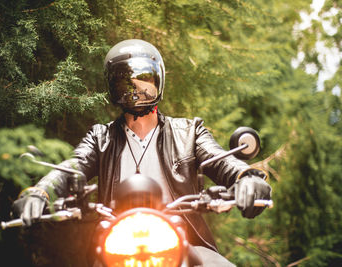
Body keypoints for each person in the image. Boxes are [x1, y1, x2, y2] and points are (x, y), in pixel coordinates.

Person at [14, 39, 272, 266]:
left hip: (182, 239)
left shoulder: (189, 132)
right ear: (113, 87)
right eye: (125, 83)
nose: (136, 91)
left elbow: (222, 162)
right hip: (117, 244)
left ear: (158, 81)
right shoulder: (100, 137)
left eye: (144, 81)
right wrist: (39, 192)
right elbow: (73, 167)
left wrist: (247, 178)